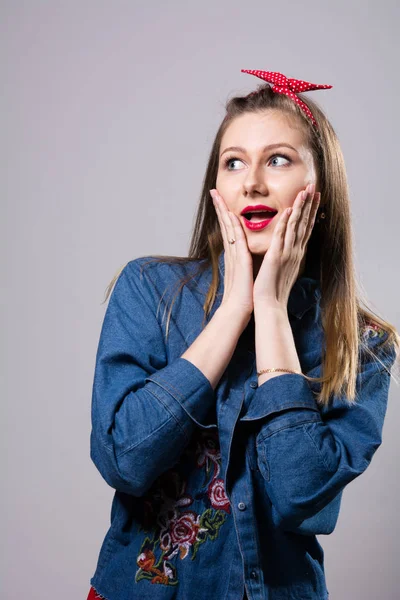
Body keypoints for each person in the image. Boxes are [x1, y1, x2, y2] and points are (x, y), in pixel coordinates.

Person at [86, 70, 400, 600]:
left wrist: (271, 311)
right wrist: (233, 310)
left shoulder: (363, 342)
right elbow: (124, 460)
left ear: (318, 188)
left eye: (278, 159)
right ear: (218, 187)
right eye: (234, 162)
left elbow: (301, 497)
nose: (252, 181)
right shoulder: (148, 290)